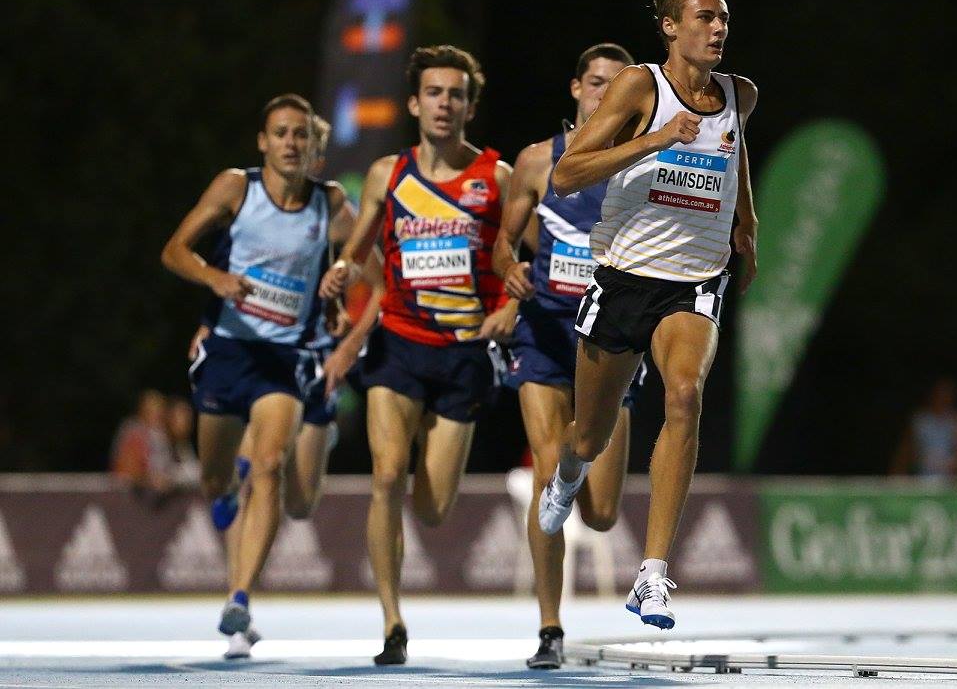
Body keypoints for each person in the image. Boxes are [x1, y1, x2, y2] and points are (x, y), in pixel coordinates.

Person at [536, 0, 758, 631]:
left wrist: (747, 223)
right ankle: (567, 475)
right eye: (703, 18)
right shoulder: (640, 86)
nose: (717, 28)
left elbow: (734, 151)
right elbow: (568, 172)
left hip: (693, 280)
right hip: (624, 278)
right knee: (588, 433)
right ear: (669, 27)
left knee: (684, 394)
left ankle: (652, 575)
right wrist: (656, 138)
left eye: (722, 17)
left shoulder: (737, 95)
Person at [320, 45, 516, 665]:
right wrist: (344, 270)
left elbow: (514, 251)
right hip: (399, 345)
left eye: (456, 95)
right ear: (414, 103)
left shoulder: (496, 177)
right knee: (384, 477)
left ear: (469, 107)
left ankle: (434, 440)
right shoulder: (388, 173)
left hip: (462, 355)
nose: (444, 104)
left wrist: (512, 295)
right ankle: (392, 622)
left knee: (431, 509)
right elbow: (356, 247)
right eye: (434, 93)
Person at [161, 94, 355, 641]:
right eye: (281, 133)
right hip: (228, 349)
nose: (291, 143)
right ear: (263, 142)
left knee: (269, 464)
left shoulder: (330, 202)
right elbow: (174, 250)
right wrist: (213, 278)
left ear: (314, 145)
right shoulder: (236, 188)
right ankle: (223, 494)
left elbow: (367, 253)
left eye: (301, 134)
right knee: (215, 476)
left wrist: (340, 276)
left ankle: (240, 597)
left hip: (285, 358)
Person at [492, 43, 647, 669]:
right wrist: (509, 275)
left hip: (610, 342)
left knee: (605, 515)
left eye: (616, 88)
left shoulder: (641, 167)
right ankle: (549, 628)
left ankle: (574, 476)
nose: (602, 96)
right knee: (546, 466)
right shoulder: (536, 161)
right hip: (546, 335)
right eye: (594, 84)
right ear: (575, 88)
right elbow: (504, 246)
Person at [890, 378, 957, 478]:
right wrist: (897, 475)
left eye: (947, 393)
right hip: (920, 478)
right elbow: (905, 452)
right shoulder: (920, 419)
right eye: (940, 392)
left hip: (950, 479)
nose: (943, 397)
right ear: (932, 393)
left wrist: (953, 466)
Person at [110, 389, 175, 499]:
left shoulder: (163, 435)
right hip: (128, 499)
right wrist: (150, 480)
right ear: (142, 410)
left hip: (158, 502)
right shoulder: (133, 433)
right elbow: (126, 471)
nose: (158, 415)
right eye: (153, 410)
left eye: (160, 410)